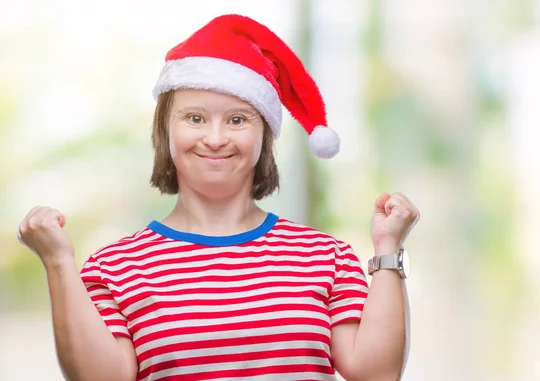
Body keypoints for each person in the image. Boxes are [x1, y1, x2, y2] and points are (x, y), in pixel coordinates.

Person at [17, 14, 419, 381]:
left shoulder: (325, 256)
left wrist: (388, 248)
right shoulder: (114, 267)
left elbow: (376, 375)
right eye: (195, 118)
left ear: (265, 137)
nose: (214, 138)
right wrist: (57, 261)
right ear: (164, 133)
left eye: (237, 119)